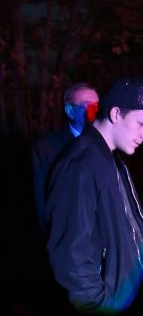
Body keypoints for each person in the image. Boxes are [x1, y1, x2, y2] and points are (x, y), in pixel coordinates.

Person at [45, 78, 143, 316]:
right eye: (141, 123)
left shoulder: (112, 160)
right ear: (115, 114)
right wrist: (103, 313)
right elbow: (71, 252)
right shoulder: (80, 163)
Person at [33, 82, 99, 235]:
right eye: (87, 105)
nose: (94, 111)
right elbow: (41, 196)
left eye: (97, 105)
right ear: (69, 110)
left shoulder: (107, 145)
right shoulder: (47, 148)